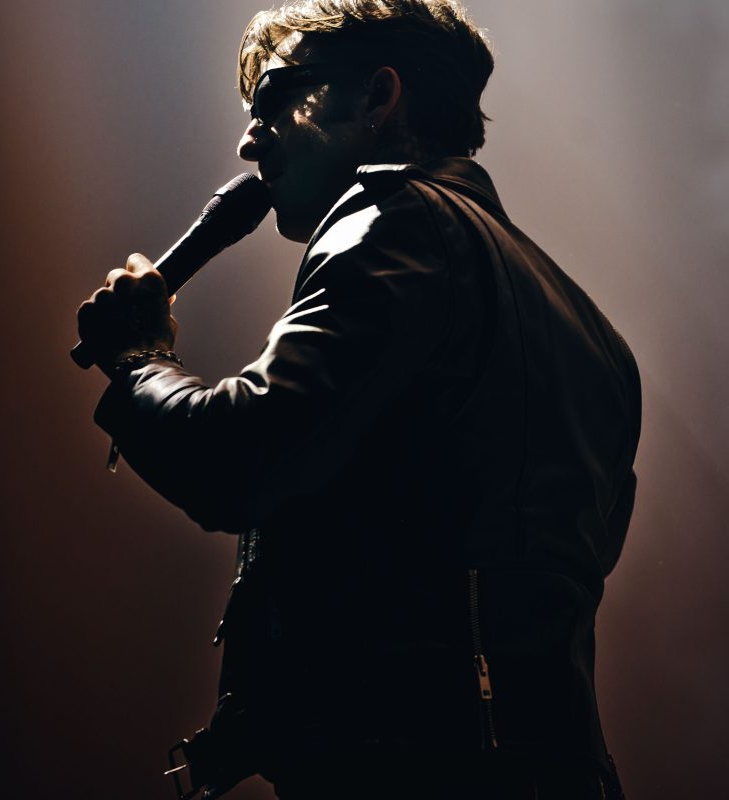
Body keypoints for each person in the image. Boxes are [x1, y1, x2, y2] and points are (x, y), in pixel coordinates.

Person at [76, 1, 640, 798]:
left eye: (275, 96)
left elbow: (240, 455)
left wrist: (138, 357)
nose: (248, 141)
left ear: (379, 96)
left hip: (410, 765)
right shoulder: (601, 341)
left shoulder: (394, 218)